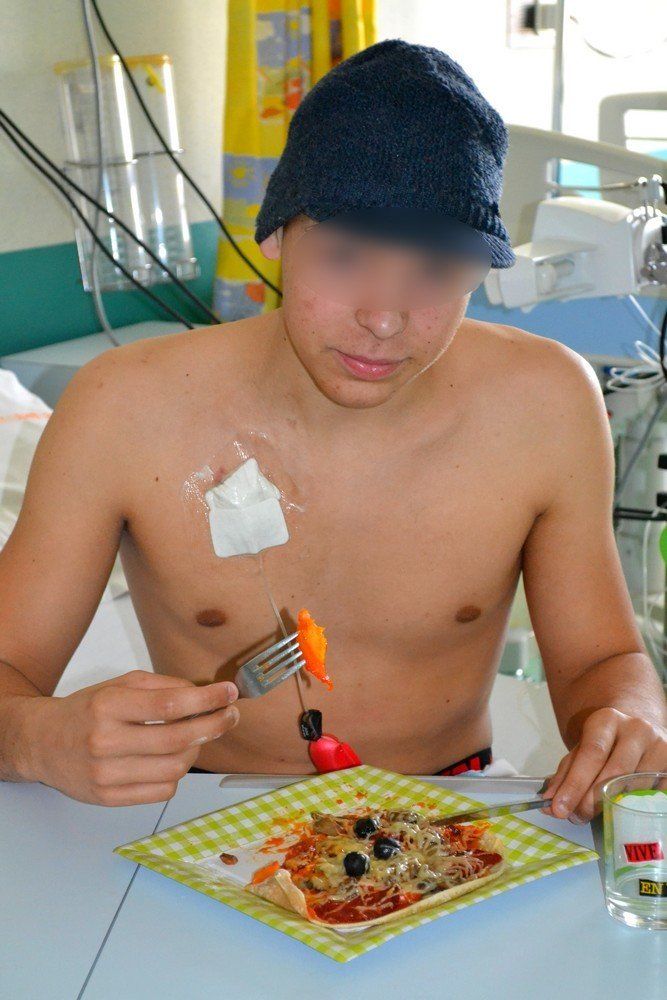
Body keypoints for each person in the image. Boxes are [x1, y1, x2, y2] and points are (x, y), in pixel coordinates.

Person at [0, 40, 664, 817]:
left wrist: (633, 721)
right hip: (202, 815)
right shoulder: (123, 407)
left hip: (449, 818)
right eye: (345, 255)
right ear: (275, 236)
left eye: (433, 272)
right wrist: (36, 738)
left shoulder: (544, 404)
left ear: (481, 273)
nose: (382, 318)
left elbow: (600, 661)